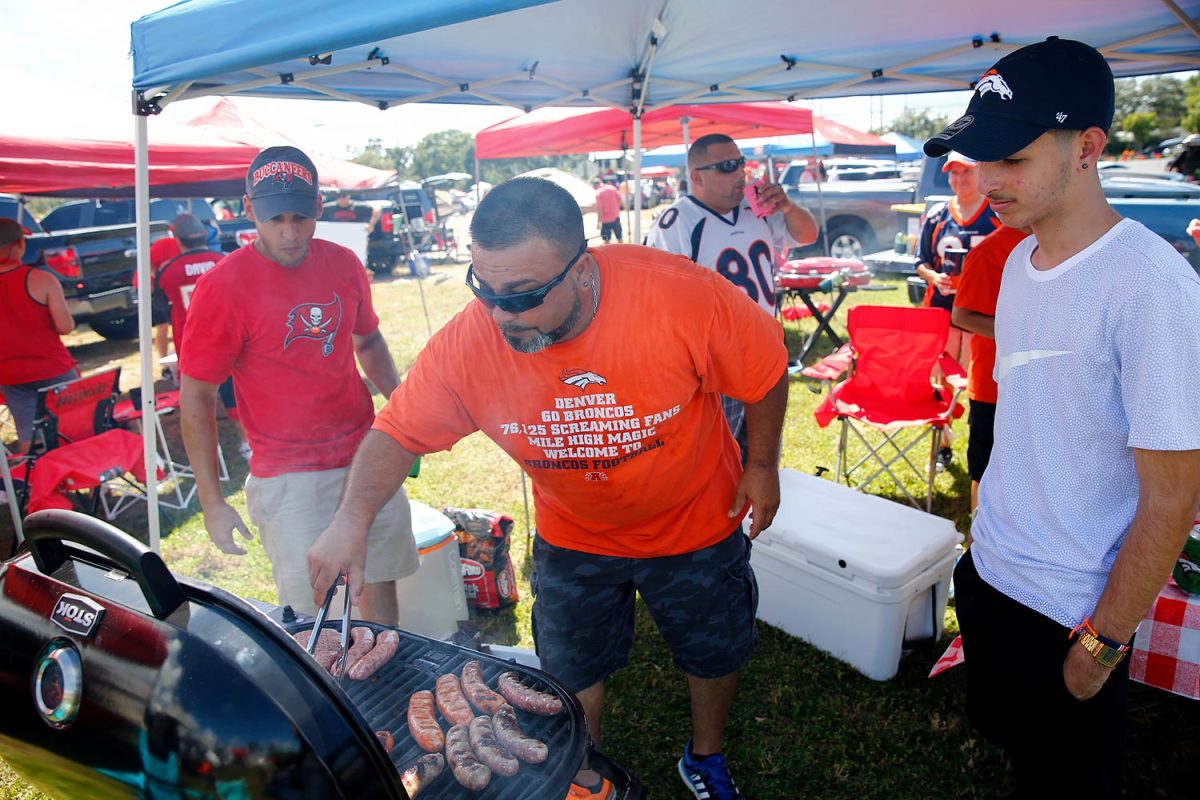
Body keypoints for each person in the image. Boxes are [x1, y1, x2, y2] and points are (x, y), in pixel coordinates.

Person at [307, 177, 789, 800]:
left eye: (525, 294)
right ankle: (580, 770)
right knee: (570, 665)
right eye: (486, 289)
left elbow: (766, 369)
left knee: (713, 649)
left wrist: (762, 465)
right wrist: (351, 521)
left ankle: (705, 755)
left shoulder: (679, 296)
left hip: (694, 518)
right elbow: (396, 433)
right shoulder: (472, 341)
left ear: (581, 268)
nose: (503, 314)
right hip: (575, 534)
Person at [925, 37, 1200, 797]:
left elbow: (1173, 497)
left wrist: (1102, 644)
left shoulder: (1152, 286)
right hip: (994, 575)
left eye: (1011, 157)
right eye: (979, 157)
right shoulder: (1017, 259)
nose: (987, 180)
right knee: (1023, 760)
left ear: (1087, 148)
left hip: (1070, 610)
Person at [179, 146, 417, 624]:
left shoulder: (345, 264)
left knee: (379, 583)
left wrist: (404, 413)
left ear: (319, 210)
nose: (290, 233)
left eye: (300, 218)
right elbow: (197, 395)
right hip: (289, 474)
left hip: (364, 454)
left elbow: (367, 340)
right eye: (276, 219)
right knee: (317, 614)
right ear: (249, 210)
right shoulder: (223, 287)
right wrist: (211, 501)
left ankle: (383, 686)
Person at [645, 133, 816, 463]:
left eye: (741, 163)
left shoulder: (757, 207)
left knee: (762, 459)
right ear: (697, 177)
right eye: (726, 166)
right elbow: (660, 300)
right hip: (718, 362)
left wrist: (789, 206)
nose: (740, 173)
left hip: (766, 350)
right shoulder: (678, 221)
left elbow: (807, 235)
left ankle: (757, 515)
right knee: (719, 459)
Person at [913, 151, 1001, 470]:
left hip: (982, 316)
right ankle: (943, 446)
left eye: (967, 172)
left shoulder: (997, 214)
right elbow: (920, 259)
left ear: (981, 173)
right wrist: (934, 276)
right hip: (943, 311)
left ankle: (985, 449)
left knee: (979, 386)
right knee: (942, 383)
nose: (960, 179)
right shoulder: (937, 215)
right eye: (954, 173)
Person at [155, 213, 250, 459]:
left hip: (192, 344)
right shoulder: (224, 261)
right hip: (228, 338)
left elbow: (161, 316)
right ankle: (246, 442)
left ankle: (206, 454)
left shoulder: (168, 271)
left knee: (197, 399)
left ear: (176, 238)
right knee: (234, 393)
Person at [950, 224, 1029, 512]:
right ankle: (977, 539)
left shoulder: (1064, 239)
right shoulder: (989, 251)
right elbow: (963, 315)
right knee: (986, 470)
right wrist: (1028, 334)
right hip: (994, 386)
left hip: (1041, 382)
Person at [0, 218, 78, 453]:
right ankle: (92, 483)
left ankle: (32, 484)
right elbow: (65, 326)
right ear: (19, 245)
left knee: (28, 435)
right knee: (76, 427)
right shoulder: (42, 280)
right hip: (54, 368)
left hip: (10, 375)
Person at [591, 178, 623, 243]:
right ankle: (622, 252)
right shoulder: (612, 188)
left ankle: (608, 253)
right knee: (619, 237)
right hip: (615, 217)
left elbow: (600, 209)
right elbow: (620, 200)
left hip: (605, 220)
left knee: (606, 240)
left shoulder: (599, 193)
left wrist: (598, 221)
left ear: (595, 185)